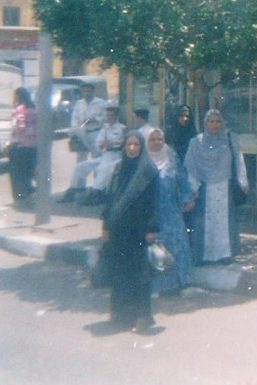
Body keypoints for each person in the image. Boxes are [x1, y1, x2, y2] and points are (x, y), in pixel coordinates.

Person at [101, 131, 159, 333]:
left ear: (141, 147)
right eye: (129, 145)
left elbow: (154, 202)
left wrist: (152, 228)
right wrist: (105, 226)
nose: (132, 148)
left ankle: (142, 317)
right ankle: (121, 314)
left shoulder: (148, 170)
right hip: (118, 231)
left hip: (138, 231)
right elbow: (111, 199)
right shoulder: (119, 168)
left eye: (136, 145)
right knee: (120, 274)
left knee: (139, 275)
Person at [184, 109, 248, 264]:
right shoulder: (196, 142)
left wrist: (243, 180)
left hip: (224, 187)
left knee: (223, 223)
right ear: (205, 123)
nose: (215, 125)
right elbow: (190, 165)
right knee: (206, 223)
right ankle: (206, 257)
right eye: (211, 121)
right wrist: (194, 187)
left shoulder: (229, 139)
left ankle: (224, 255)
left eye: (218, 121)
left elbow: (238, 160)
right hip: (205, 188)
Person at [147, 128, 194, 296]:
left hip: (172, 211)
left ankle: (183, 281)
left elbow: (182, 178)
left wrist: (187, 198)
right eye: (152, 140)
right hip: (151, 214)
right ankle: (163, 286)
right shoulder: (144, 161)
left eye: (160, 139)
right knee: (158, 248)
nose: (157, 142)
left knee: (178, 244)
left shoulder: (171, 156)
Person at [64, 101, 125, 205]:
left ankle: (96, 193)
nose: (109, 118)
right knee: (80, 166)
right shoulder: (104, 129)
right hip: (105, 155)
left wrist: (111, 144)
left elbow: (122, 143)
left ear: (116, 116)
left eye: (111, 115)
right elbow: (99, 143)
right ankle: (74, 190)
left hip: (116, 157)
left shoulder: (122, 128)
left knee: (102, 169)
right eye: (108, 115)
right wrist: (105, 145)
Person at [8, 87, 38, 209]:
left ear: (18, 96)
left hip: (19, 145)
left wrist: (10, 142)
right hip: (32, 146)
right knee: (27, 172)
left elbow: (18, 128)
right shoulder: (35, 109)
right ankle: (28, 194)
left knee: (16, 174)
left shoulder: (19, 110)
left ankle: (20, 198)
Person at [69, 83, 105, 163]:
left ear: (93, 91)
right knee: (81, 158)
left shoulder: (100, 103)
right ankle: (81, 175)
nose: (87, 93)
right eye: (85, 91)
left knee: (97, 156)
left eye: (89, 91)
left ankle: (98, 175)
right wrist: (75, 129)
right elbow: (74, 118)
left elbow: (105, 117)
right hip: (82, 133)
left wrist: (95, 119)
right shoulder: (79, 103)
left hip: (95, 132)